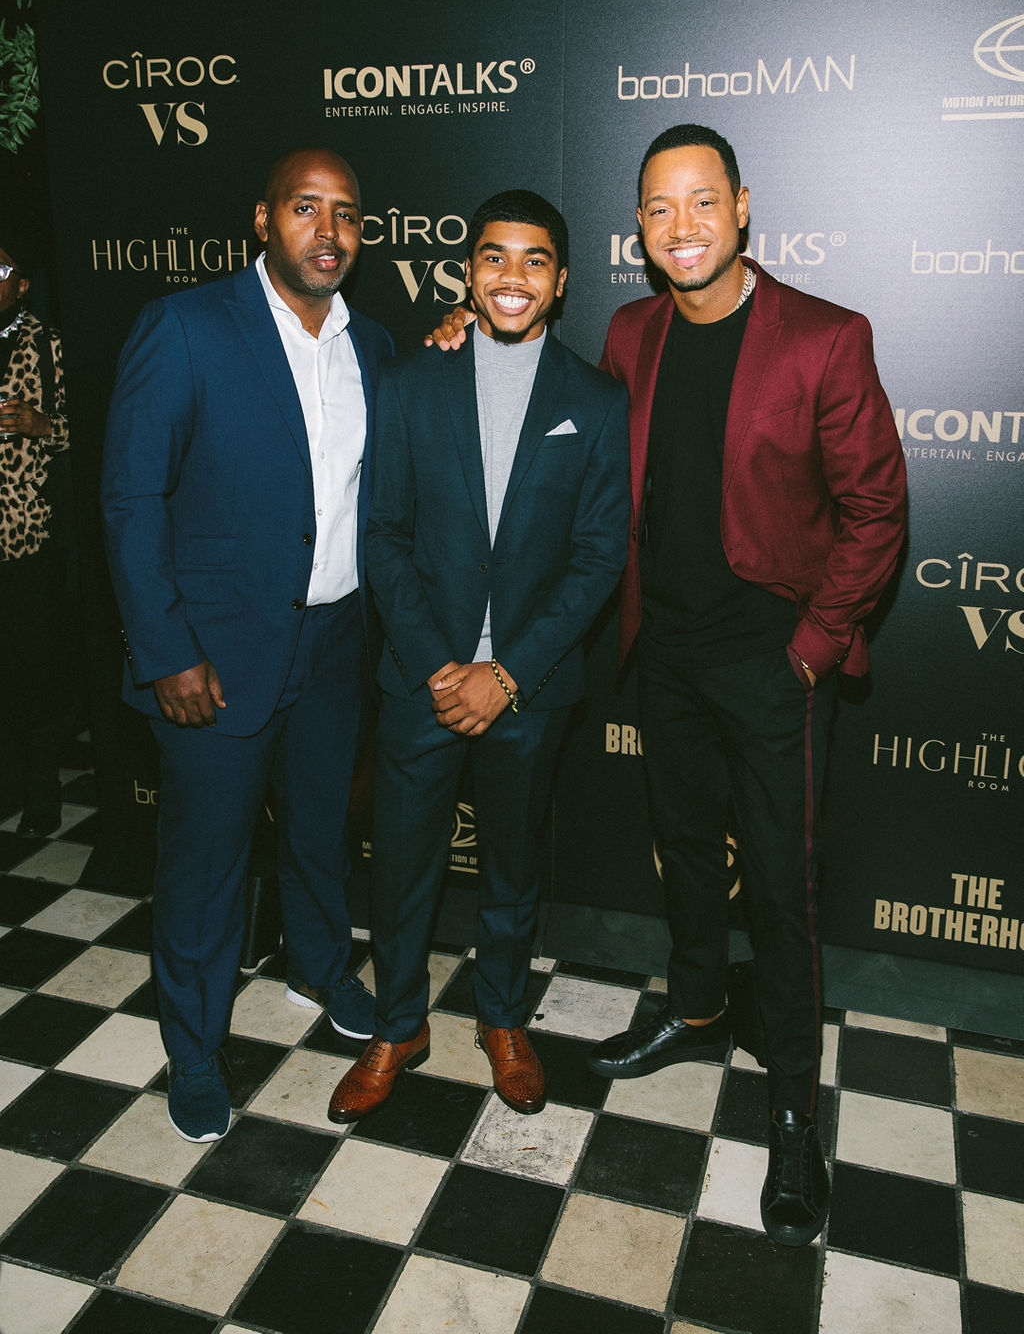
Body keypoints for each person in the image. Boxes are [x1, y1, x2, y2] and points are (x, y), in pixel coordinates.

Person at [426, 126, 907, 1247]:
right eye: (657, 207)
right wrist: (461, 332)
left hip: (776, 665)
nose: (680, 225)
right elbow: (564, 430)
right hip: (665, 656)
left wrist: (813, 646)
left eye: (700, 201)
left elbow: (877, 510)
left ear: (741, 207)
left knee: (780, 888)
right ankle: (694, 1010)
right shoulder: (629, 333)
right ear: (638, 227)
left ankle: (793, 1106)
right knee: (685, 847)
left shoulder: (825, 337)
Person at [101, 148, 392, 1142]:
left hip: (337, 642)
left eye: (346, 213)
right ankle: (193, 1049)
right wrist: (165, 650)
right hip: (212, 659)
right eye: (306, 208)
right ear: (263, 221)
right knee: (206, 864)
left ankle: (319, 966)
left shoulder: (372, 346)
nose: (328, 231)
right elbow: (131, 499)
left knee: (318, 835)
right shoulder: (184, 327)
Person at [327, 190, 629, 1125]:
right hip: (421, 682)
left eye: (535, 260)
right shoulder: (412, 381)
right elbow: (385, 536)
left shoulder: (596, 399)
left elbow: (599, 557)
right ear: (468, 272)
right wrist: (438, 666)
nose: (512, 277)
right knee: (400, 867)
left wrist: (507, 673)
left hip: (529, 689)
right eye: (494, 257)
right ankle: (398, 1026)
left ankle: (501, 1018)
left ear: (561, 280)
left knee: (512, 867)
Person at [0, 223, 71, 836]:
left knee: (33, 667)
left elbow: (88, 428)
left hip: (26, 536)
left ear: (21, 285)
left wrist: (40, 424)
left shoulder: (47, 345)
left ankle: (43, 793)